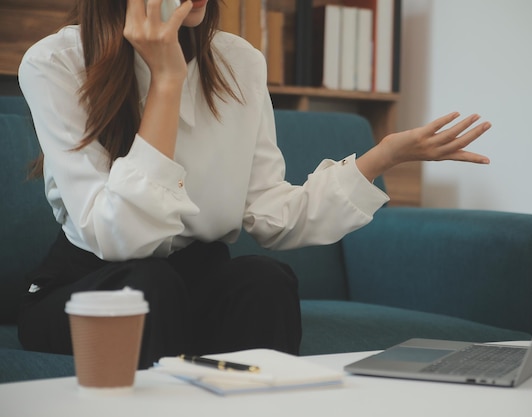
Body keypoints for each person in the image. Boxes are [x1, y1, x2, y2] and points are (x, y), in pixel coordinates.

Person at [17, 0, 492, 369]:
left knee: (264, 281)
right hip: (91, 289)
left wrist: (382, 157)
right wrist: (167, 79)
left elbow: (273, 215)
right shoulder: (54, 62)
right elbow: (120, 236)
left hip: (191, 283)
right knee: (148, 286)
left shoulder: (238, 60)